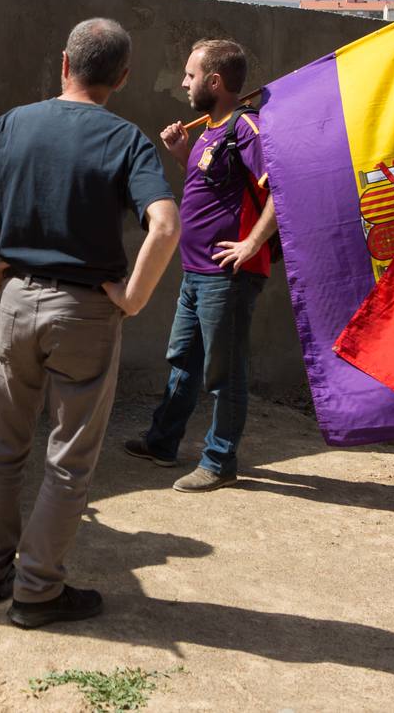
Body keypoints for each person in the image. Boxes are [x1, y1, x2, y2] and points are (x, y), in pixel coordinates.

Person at [0, 18, 179, 629]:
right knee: (68, 461)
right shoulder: (127, 139)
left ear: (64, 62)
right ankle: (37, 590)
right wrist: (135, 297)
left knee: (2, 448)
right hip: (86, 313)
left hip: (15, 303)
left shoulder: (12, 124)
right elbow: (165, 225)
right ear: (121, 76)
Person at [125, 38, 277, 491]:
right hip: (196, 272)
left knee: (223, 372)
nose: (183, 83)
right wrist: (182, 155)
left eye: (190, 76)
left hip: (227, 277)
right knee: (184, 362)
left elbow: (283, 188)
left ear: (214, 81)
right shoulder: (212, 129)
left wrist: (251, 242)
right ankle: (162, 442)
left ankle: (219, 460)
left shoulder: (247, 127)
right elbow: (212, 187)